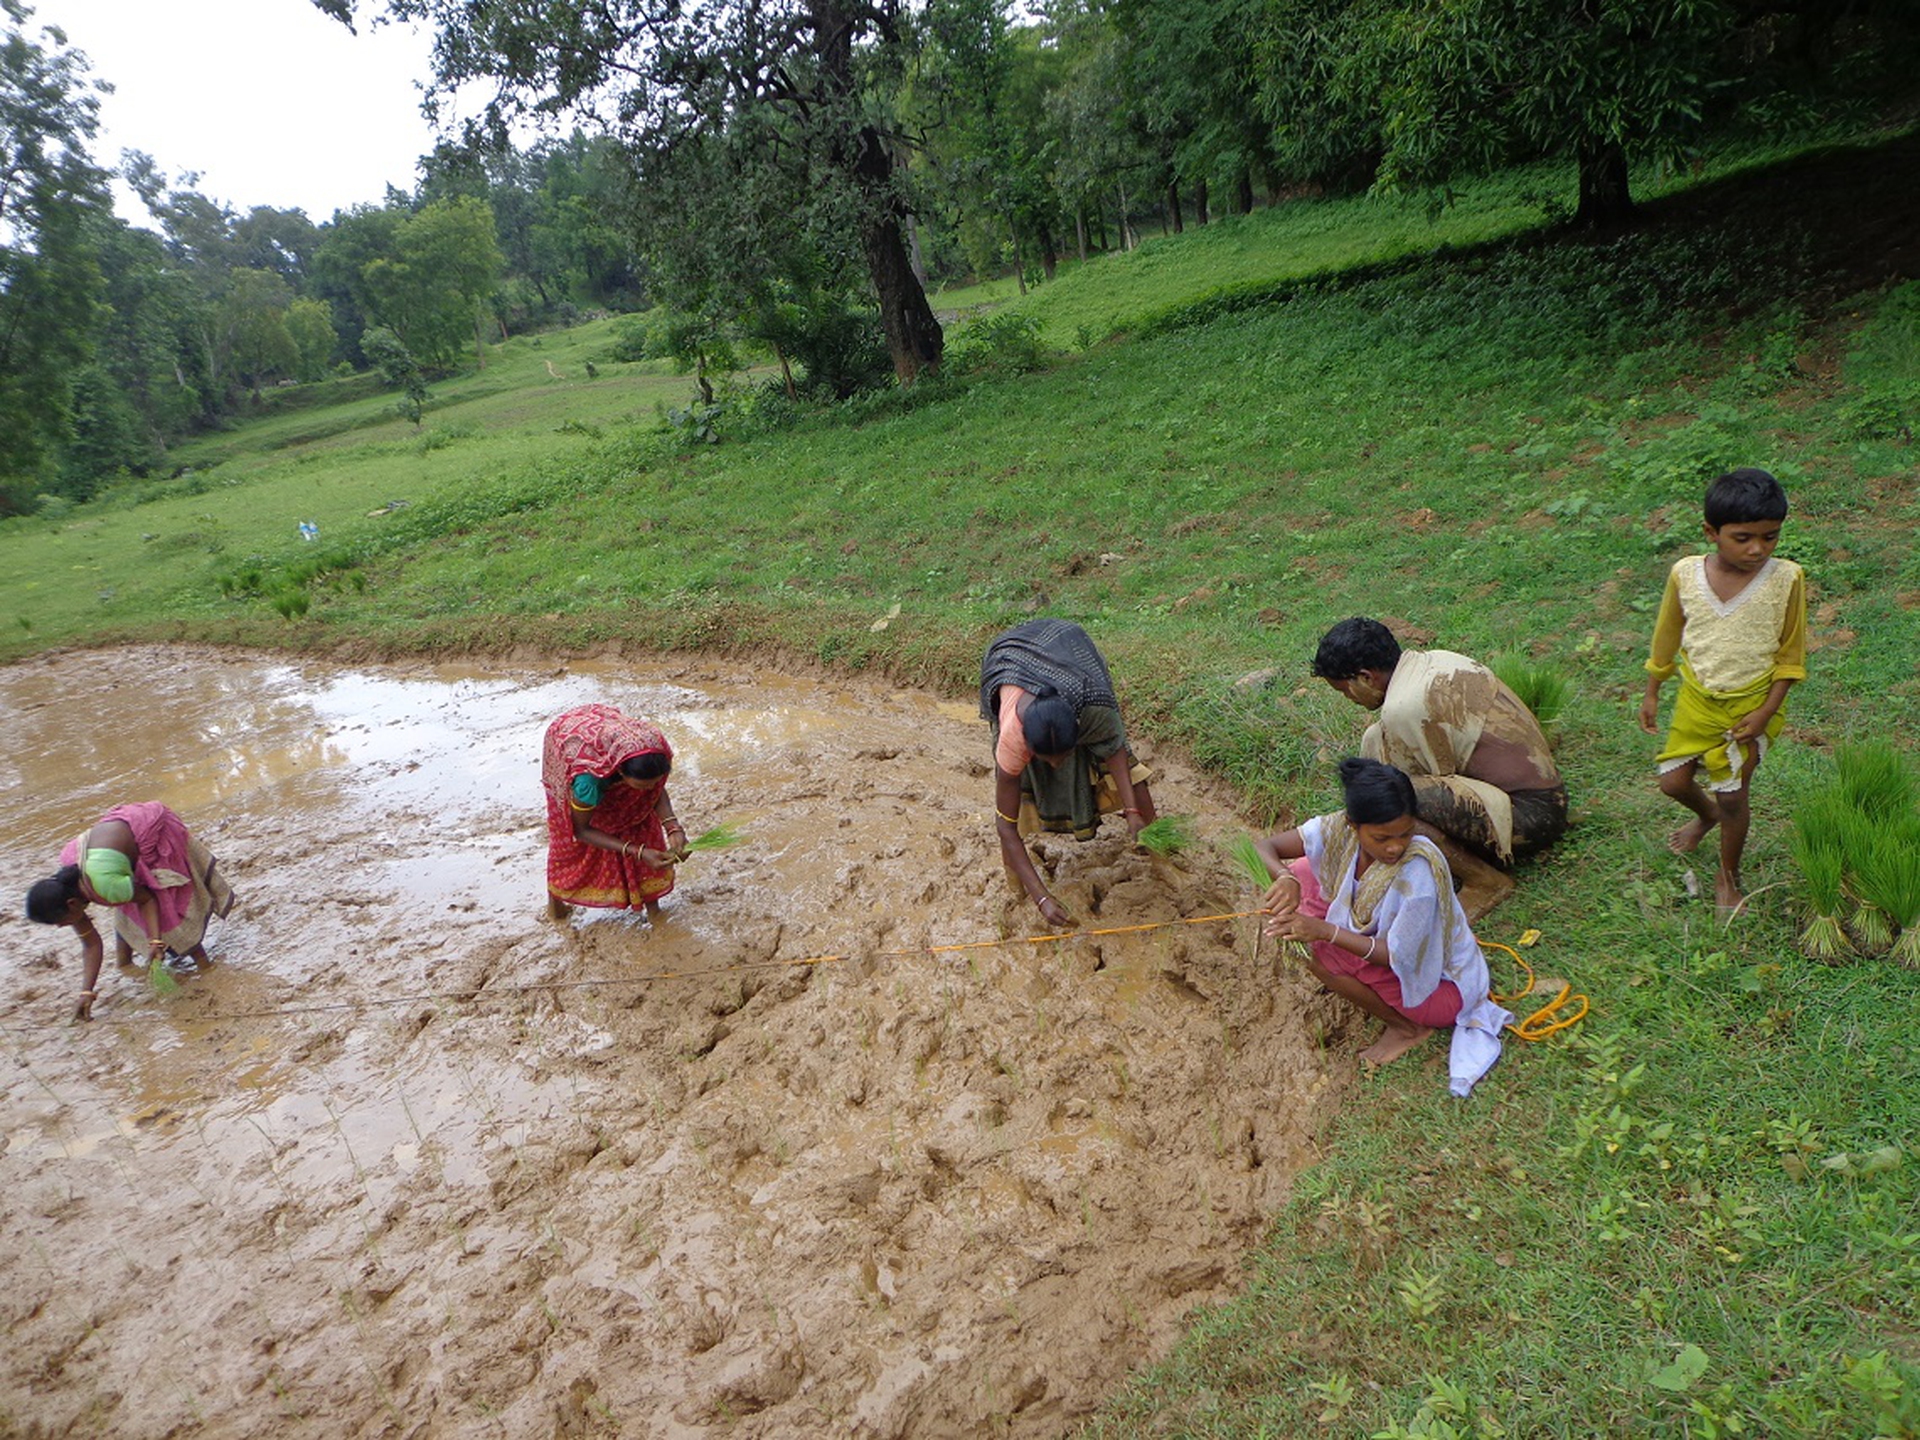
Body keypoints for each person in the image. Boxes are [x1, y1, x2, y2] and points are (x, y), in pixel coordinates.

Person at [1257, 758, 1510, 1092]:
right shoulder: (1336, 831)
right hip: (1401, 953)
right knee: (1303, 871)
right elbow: (1264, 847)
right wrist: (1285, 878)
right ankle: (1337, 939)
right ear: (1352, 825)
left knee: (1317, 952)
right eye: (1381, 838)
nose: (1395, 847)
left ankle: (1407, 1028)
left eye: (1406, 834)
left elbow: (1395, 956)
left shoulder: (1417, 876)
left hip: (1441, 991)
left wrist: (1325, 931)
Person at [1312, 616, 1567, 914]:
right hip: (1551, 796)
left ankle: (1484, 881)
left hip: (1532, 817)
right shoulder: (1433, 662)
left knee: (1392, 802)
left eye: (1345, 690)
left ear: (1366, 678)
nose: (1348, 698)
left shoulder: (1403, 707)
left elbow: (1432, 780)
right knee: (1375, 740)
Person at [1639, 467, 1806, 918]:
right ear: (1711, 533)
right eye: (1743, 538)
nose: (1758, 549)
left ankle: (1728, 878)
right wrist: (1653, 690)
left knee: (1733, 795)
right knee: (1673, 782)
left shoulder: (1787, 579)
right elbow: (1667, 635)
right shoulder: (1686, 574)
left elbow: (1790, 655)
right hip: (1696, 701)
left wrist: (1767, 712)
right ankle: (1707, 815)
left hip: (1751, 705)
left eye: (1770, 537)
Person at [980, 618, 1158, 928]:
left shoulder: (1093, 705)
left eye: (1062, 758)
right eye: (1046, 760)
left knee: (1132, 773)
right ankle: (1017, 887)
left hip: (1068, 649)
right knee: (1013, 807)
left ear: (1079, 733)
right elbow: (1005, 827)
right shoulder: (1012, 739)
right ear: (1029, 748)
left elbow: (1115, 751)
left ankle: (1160, 854)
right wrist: (1042, 899)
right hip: (1010, 660)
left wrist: (1132, 812)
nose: (1056, 766)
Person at [25, 801, 236, 1021]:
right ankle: (125, 964)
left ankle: (206, 967)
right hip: (114, 859)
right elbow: (91, 944)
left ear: (71, 904)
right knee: (125, 903)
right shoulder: (67, 889)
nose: (61, 926)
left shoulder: (101, 886)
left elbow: (147, 899)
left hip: (152, 830)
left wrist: (155, 941)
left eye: (60, 921)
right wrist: (86, 993)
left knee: (168, 918)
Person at [542, 704, 690, 920]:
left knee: (643, 826)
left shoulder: (655, 753)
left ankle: (654, 910)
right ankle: (556, 904)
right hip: (565, 742)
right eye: (642, 785)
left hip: (611, 737)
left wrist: (673, 827)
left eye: (655, 782)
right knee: (568, 849)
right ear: (619, 770)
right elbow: (581, 831)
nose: (649, 790)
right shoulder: (587, 782)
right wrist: (638, 852)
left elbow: (655, 791)